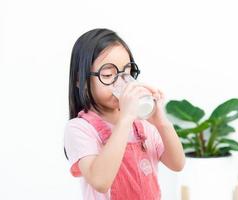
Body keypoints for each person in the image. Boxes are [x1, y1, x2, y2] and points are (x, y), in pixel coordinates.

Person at [64, 28, 185, 200]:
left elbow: (177, 163)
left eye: (126, 72)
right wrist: (125, 119)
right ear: (80, 81)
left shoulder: (142, 124)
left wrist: (161, 122)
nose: (121, 82)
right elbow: (100, 181)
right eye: (108, 75)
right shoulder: (80, 128)